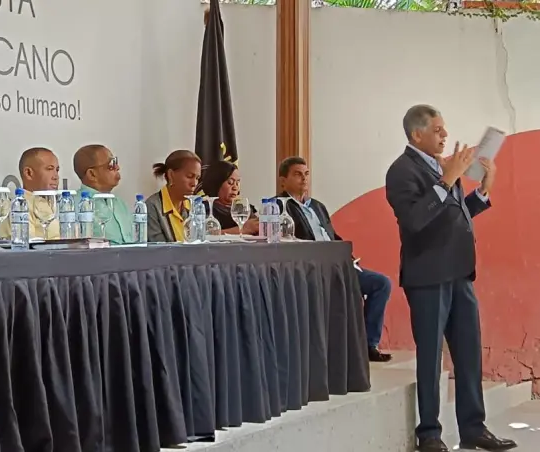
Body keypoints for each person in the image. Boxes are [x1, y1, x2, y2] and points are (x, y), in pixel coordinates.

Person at [385, 105, 515, 452]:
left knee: (469, 353)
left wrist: (483, 191)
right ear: (417, 135)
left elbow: (455, 214)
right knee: (431, 358)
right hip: (428, 277)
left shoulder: (442, 167)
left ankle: (473, 428)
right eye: (438, 130)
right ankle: (429, 434)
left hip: (459, 274)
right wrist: (447, 179)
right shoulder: (401, 171)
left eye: (444, 129)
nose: (445, 135)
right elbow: (415, 220)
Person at [277, 156, 392, 363]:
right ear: (283, 181)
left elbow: (331, 236)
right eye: (297, 174)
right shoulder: (279, 207)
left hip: (338, 265)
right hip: (312, 269)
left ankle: (368, 345)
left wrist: (347, 256)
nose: (304, 179)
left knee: (381, 283)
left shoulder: (317, 206)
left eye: (306, 174)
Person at [73, 144, 132, 244]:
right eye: (111, 164)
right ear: (92, 174)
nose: (117, 167)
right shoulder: (75, 206)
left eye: (116, 162)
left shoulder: (120, 203)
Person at [0, 147, 61, 240]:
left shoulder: (52, 203)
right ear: (28, 173)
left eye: (57, 170)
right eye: (49, 169)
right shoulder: (18, 206)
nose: (56, 176)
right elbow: (26, 245)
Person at [145, 150, 201, 242]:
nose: (194, 183)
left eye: (197, 178)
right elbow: (158, 248)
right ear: (171, 175)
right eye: (189, 176)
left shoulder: (194, 206)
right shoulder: (152, 207)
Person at [200, 161, 259, 235]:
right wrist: (243, 229)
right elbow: (202, 235)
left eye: (237, 183)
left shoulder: (243, 209)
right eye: (230, 182)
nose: (235, 187)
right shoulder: (203, 209)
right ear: (216, 183)